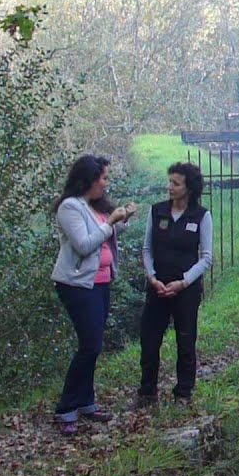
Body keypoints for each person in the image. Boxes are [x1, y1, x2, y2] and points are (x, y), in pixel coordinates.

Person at [50, 155, 136, 436]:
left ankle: (86, 401)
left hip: (100, 283)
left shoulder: (94, 206)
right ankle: (66, 407)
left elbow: (106, 235)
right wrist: (110, 221)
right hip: (77, 284)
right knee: (90, 345)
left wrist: (122, 220)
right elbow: (85, 245)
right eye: (103, 178)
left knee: (95, 343)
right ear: (88, 180)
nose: (106, 184)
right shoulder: (70, 207)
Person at [139, 161, 213, 406]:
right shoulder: (156, 211)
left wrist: (184, 282)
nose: (169, 187)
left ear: (188, 188)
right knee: (150, 340)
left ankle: (183, 391)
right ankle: (147, 391)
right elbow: (147, 249)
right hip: (157, 287)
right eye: (169, 182)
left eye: (175, 183)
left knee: (185, 339)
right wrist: (152, 277)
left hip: (185, 291)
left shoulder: (201, 216)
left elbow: (206, 257)